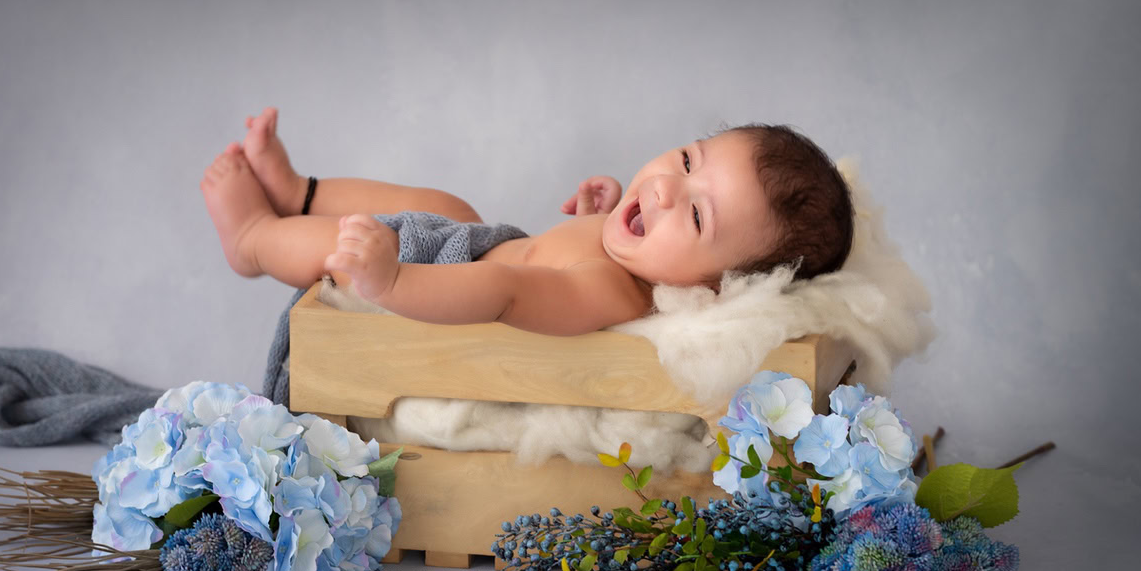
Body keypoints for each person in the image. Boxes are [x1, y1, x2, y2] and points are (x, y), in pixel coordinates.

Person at [201, 107, 854, 336]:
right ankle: (299, 188)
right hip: (486, 245)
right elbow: (546, 258)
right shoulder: (631, 261)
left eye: (694, 212)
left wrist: (393, 280)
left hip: (438, 278)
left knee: (343, 249)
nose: (661, 190)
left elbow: (509, 293)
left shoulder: (609, 292)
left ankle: (254, 238)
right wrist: (602, 217)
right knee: (452, 207)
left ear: (715, 286)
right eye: (687, 160)